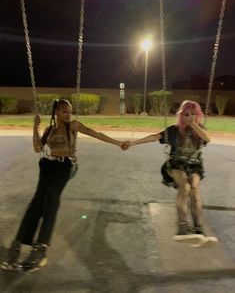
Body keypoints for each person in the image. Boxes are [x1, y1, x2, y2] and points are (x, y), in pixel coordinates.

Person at [2, 99, 125, 271]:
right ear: (56, 113)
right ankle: (17, 246)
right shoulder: (49, 130)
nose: (68, 114)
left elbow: (94, 133)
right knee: (36, 204)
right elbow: (38, 149)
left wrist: (118, 143)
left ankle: (41, 248)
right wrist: (35, 127)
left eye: (69, 111)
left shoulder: (73, 126)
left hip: (66, 166)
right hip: (48, 166)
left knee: (51, 199)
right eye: (64, 111)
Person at [122, 100, 212, 242]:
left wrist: (194, 125)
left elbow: (207, 138)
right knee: (185, 186)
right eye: (187, 114)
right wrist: (133, 143)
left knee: (195, 189)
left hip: (195, 166)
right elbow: (154, 137)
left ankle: (199, 228)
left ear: (198, 115)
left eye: (193, 114)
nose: (190, 117)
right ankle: (182, 227)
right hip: (176, 164)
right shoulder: (173, 130)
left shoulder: (199, 129)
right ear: (182, 116)